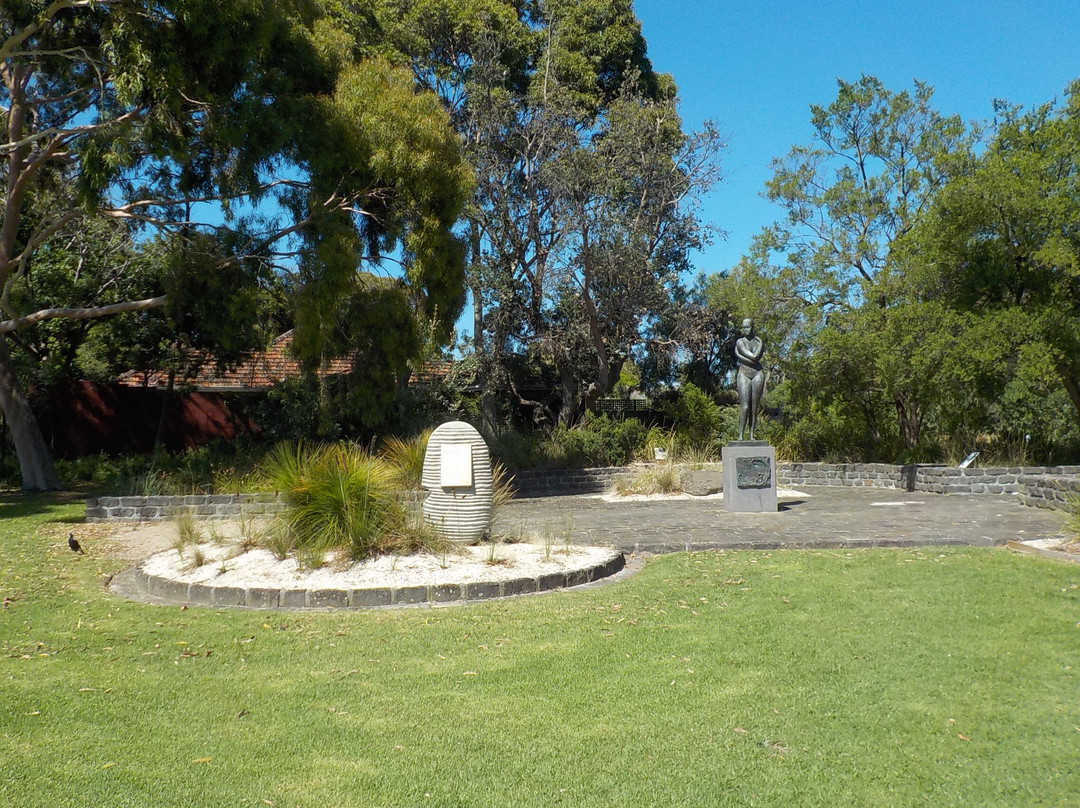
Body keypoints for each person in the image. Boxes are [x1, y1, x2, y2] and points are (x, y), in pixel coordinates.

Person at [735, 318, 765, 441]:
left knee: (754, 407)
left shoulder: (758, 342)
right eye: (744, 327)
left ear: (753, 327)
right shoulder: (740, 342)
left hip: (757, 373)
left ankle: (751, 434)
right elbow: (753, 357)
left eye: (748, 327)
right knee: (745, 406)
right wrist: (761, 344)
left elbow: (756, 358)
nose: (746, 330)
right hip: (744, 373)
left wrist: (761, 344)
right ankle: (740, 435)